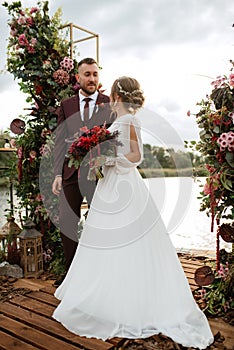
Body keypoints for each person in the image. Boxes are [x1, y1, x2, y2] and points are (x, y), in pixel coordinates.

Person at [52, 76, 214, 349]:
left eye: (111, 93)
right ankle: (108, 292)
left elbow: (136, 157)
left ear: (116, 95)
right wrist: (100, 158)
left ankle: (124, 297)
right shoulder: (118, 121)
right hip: (111, 183)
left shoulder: (129, 120)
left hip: (123, 183)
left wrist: (109, 159)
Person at [52, 57, 114, 286]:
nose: (92, 78)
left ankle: (100, 275)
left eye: (95, 74)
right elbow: (59, 141)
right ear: (77, 78)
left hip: (98, 175)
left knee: (100, 223)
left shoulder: (108, 102)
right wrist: (58, 174)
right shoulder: (66, 105)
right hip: (69, 174)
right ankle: (71, 276)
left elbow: (113, 138)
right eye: (87, 74)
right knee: (68, 223)